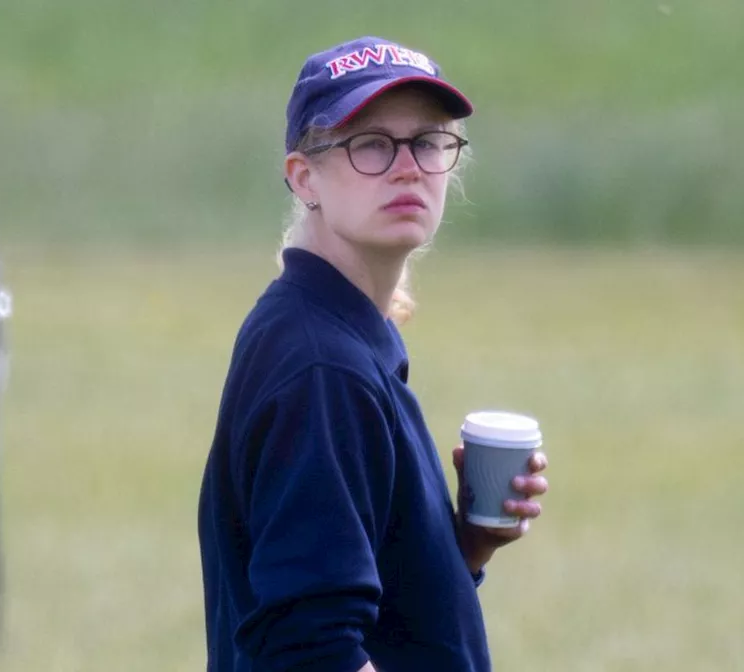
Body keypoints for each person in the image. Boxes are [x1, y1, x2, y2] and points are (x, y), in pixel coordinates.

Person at [197, 36, 550, 671]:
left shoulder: (333, 332)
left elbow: (363, 606)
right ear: (305, 178)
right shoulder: (321, 367)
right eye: (371, 145)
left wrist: (460, 549)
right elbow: (309, 649)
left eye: (428, 142)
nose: (408, 166)